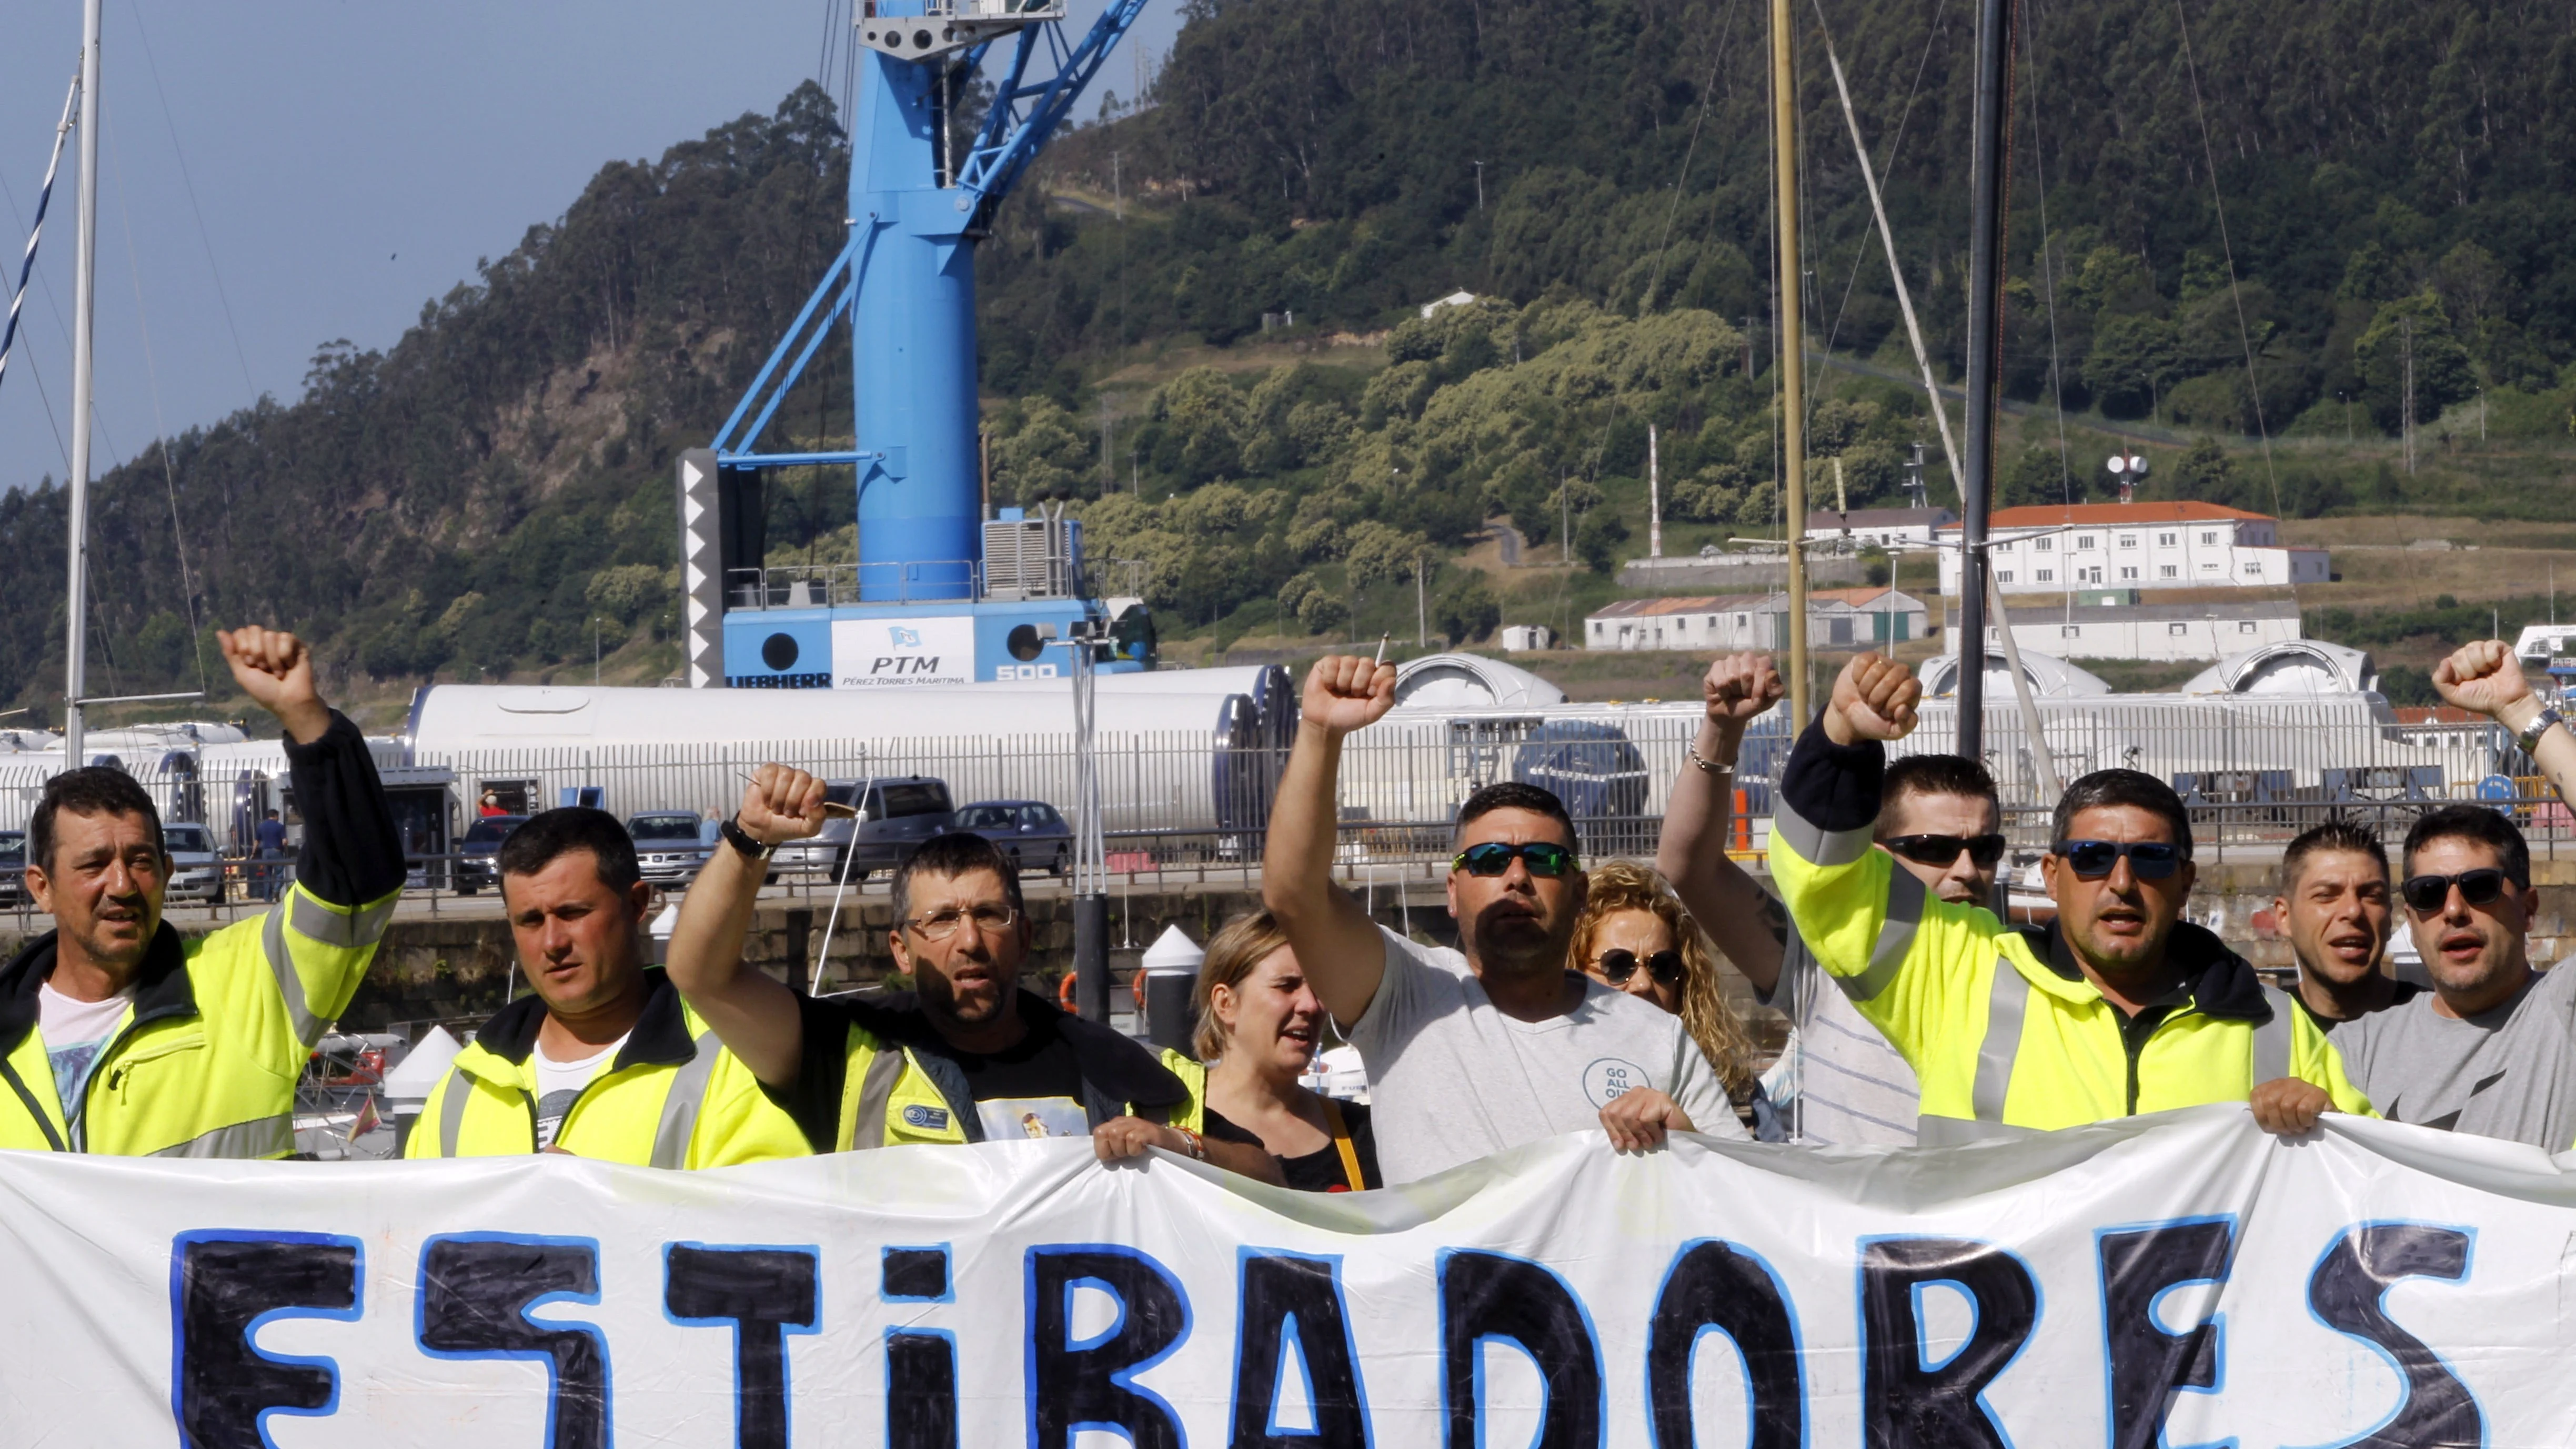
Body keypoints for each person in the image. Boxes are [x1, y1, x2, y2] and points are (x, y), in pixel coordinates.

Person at [1768, 652, 2369, 1141]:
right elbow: (1824, 876)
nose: (2122, 882)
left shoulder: (2275, 1027)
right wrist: (1841, 741)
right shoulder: (1958, 976)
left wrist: (2325, 1125)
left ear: (2187, 882)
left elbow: (2375, 1186)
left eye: (2152, 859)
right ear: (2052, 875)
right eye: (2092, 858)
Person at [666, 767, 1281, 1182]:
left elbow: (1267, 1175)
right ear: (901, 951)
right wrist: (749, 841)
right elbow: (700, 974)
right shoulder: (846, 1055)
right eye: (940, 920)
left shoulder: (1121, 1067)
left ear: (1026, 936)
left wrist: (1184, 1148)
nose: (969, 941)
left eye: (990, 915)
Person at [1262, 655, 1742, 1187]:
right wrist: (1319, 732)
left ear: (1580, 893)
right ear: (1452, 891)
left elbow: (1747, 1192)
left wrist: (1681, 1132)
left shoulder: (1656, 1034)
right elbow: (1295, 894)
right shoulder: (1402, 993)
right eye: (1490, 861)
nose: (1517, 876)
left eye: (1544, 861)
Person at [0, 627, 404, 1157]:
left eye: (141, 861)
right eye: (94, 865)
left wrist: (307, 720)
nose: (122, 886)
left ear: (167, 872)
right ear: (41, 888)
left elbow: (358, 884)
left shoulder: (253, 986)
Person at [1658, 652, 2013, 1146]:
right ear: (1875, 857)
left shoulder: (2029, 972)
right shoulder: (1819, 968)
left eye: (1985, 848)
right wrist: (1722, 729)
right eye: (1935, 849)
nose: (1967, 870)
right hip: (1849, 1221)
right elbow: (1689, 869)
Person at [2267, 640, 2576, 1146]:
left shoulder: (2563, 1012)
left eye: (2479, 888)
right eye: (2430, 893)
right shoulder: (2356, 1048)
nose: (2454, 911)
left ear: (2529, 909)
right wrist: (2281, 1113)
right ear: (2410, 918)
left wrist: (2520, 711)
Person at [406, 808, 807, 1166]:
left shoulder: (729, 1065)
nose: (552, 943)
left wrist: (608, 1209)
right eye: (530, 920)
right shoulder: (461, 1088)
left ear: (636, 906)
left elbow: (770, 1231)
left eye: (572, 913)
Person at [1567, 859, 1777, 1140]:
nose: (1642, 984)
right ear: (1573, 967)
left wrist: (1687, 1135)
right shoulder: (1541, 1068)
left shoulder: (1734, 1089)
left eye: (1661, 966)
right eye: (1618, 965)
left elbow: (1763, 1178)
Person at [1189, 911, 1381, 1192]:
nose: (1311, 1006)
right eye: (1286, 986)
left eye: (1319, 989)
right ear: (1225, 1003)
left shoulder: (1359, 1132)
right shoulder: (1171, 1125)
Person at [2269, 820, 2420, 1026]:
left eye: (2372, 896)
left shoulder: (2438, 1022)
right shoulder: (2259, 1031)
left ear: (2390, 917)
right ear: (2284, 917)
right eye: (2326, 895)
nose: (2353, 911)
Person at [253, 808, 288, 902]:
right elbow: (284, 841)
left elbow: (256, 842)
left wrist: (253, 854)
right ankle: (276, 890)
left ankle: (268, 898)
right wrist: (286, 847)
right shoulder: (280, 827)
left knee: (267, 875)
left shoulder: (261, 827)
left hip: (266, 852)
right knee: (280, 875)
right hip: (277, 852)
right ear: (276, 816)